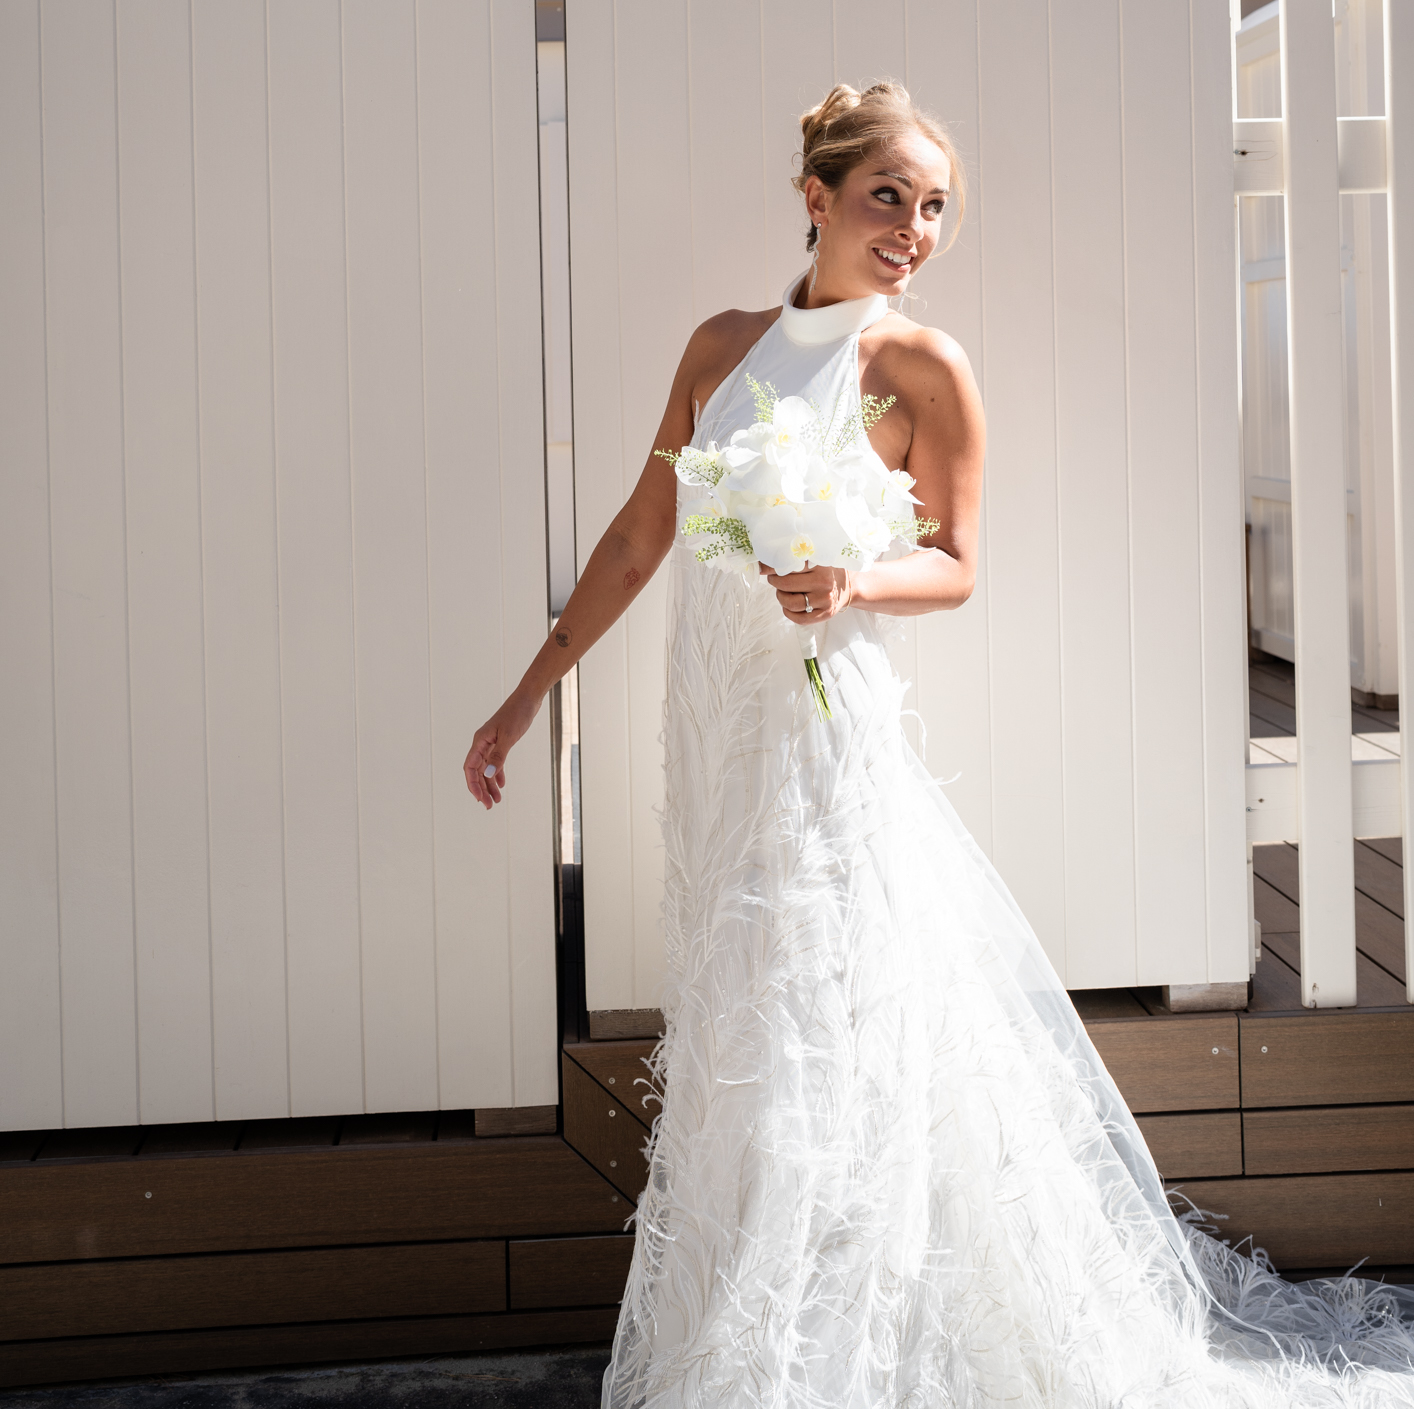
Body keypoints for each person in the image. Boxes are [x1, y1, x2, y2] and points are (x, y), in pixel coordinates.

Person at [465, 82, 1414, 1406]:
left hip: (819, 733)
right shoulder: (719, 343)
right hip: (717, 731)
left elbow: (958, 563)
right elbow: (641, 537)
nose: (913, 225)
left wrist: (849, 581)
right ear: (815, 196)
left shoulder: (921, 366)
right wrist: (529, 692)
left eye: (932, 207)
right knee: (740, 1016)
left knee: (821, 1019)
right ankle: (741, 1330)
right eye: (886, 196)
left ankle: (818, 1356)